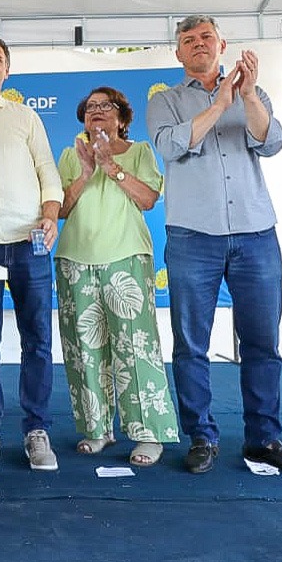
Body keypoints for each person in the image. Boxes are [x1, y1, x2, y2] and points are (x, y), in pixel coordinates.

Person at [147, 15, 282, 476]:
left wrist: (246, 97)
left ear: (222, 45)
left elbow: (271, 141)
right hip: (192, 237)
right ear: (178, 53)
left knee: (262, 341)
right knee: (191, 343)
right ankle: (201, 435)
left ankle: (264, 439)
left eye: (206, 38)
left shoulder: (252, 93)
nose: (198, 45)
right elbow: (173, 146)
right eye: (188, 40)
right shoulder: (165, 101)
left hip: (256, 233)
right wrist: (219, 104)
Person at [55, 87, 179, 465]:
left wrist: (113, 168)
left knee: (135, 348)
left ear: (122, 117)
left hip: (126, 258)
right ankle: (97, 430)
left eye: (105, 106)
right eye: (90, 107)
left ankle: (148, 433)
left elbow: (147, 198)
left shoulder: (139, 151)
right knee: (84, 350)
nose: (96, 112)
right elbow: (60, 208)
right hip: (75, 258)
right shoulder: (70, 154)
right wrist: (88, 172)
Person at [0, 35, 63, 472]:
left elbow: (48, 173)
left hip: (29, 243)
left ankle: (37, 430)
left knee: (37, 339)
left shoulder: (25, 117)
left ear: (7, 71)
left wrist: (51, 215)